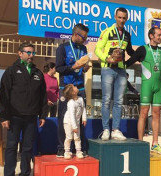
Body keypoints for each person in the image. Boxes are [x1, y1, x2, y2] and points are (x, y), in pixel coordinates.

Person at [126, 27, 161, 154]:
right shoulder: (143, 49)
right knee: (143, 113)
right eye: (159, 35)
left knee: (156, 113)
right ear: (151, 36)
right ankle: (140, 143)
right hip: (146, 85)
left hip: (159, 86)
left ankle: (155, 144)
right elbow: (129, 62)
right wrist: (113, 63)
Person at [0, 42, 47, 176]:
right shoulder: (11, 71)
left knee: (27, 147)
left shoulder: (38, 73)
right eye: (28, 52)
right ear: (20, 53)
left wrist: (42, 115)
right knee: (11, 147)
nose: (31, 55)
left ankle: (25, 173)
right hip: (14, 117)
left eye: (33, 53)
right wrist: (4, 116)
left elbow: (43, 96)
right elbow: (4, 95)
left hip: (31, 117)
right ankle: (9, 173)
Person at [95, 7, 135, 141]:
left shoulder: (127, 35)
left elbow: (130, 51)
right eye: (120, 17)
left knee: (118, 101)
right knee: (106, 100)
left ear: (127, 19)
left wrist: (142, 56)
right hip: (108, 69)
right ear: (115, 17)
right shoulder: (107, 31)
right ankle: (106, 129)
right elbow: (97, 49)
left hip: (121, 70)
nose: (122, 20)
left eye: (124, 18)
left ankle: (115, 130)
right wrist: (107, 58)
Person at [55, 23, 90, 157]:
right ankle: (62, 148)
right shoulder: (62, 48)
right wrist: (73, 67)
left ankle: (79, 148)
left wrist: (85, 68)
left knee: (80, 117)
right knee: (64, 119)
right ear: (76, 34)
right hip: (66, 88)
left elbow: (83, 65)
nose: (85, 40)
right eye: (83, 37)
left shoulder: (84, 49)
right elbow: (59, 68)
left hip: (80, 87)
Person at [62, 84, 87, 159]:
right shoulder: (71, 103)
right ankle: (66, 152)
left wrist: (84, 118)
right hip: (68, 123)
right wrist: (74, 126)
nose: (76, 87)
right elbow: (72, 115)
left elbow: (83, 109)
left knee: (77, 137)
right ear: (73, 92)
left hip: (76, 122)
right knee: (69, 137)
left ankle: (78, 151)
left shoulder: (80, 99)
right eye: (74, 87)